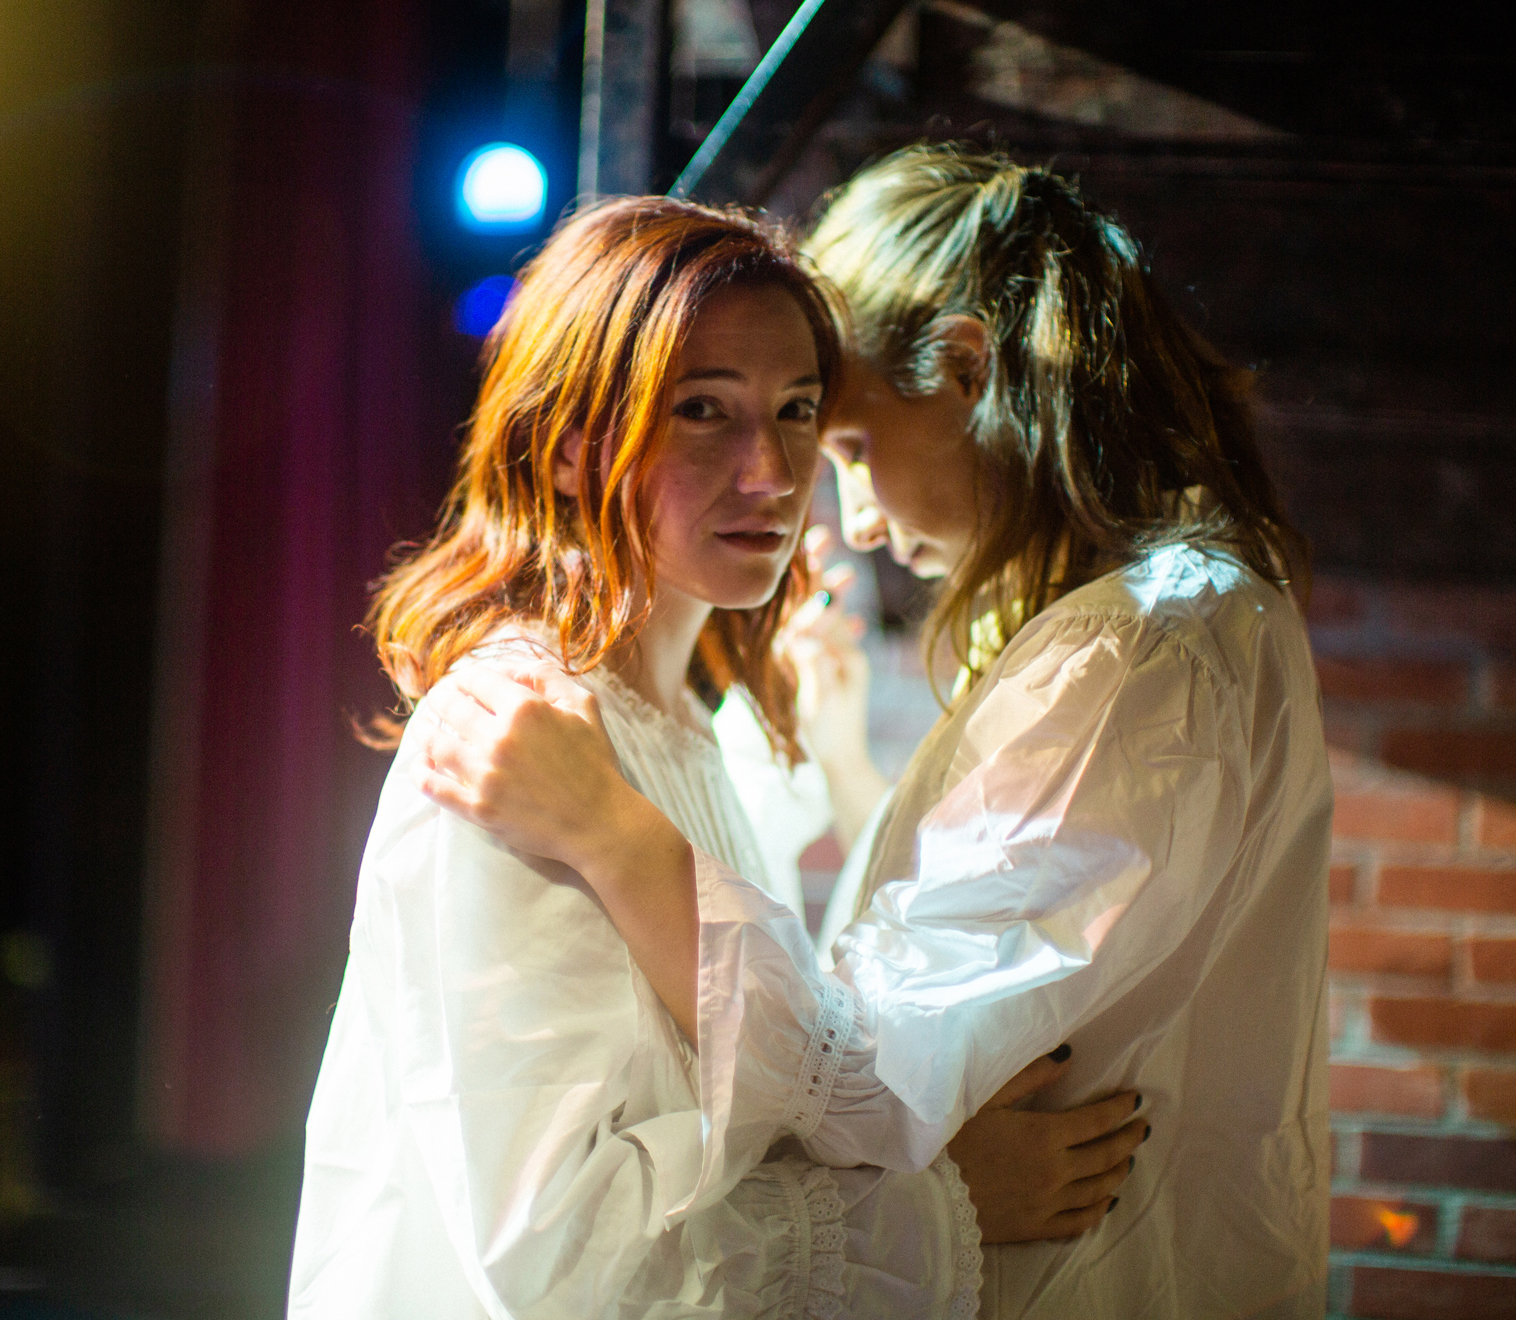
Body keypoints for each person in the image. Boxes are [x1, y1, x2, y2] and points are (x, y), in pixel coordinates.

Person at [414, 146, 1332, 1318]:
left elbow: (879, 1084)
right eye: (706, 411)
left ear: (965, 371)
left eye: (826, 431)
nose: (825, 508)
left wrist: (619, 837)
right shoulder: (1160, 622)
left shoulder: (1141, 646)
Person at [288, 193, 1143, 1319]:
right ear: (567, 446)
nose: (773, 472)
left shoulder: (683, 729)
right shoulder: (523, 733)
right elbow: (557, 1264)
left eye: (797, 411)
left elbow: (760, 1087)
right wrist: (942, 1205)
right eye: (703, 410)